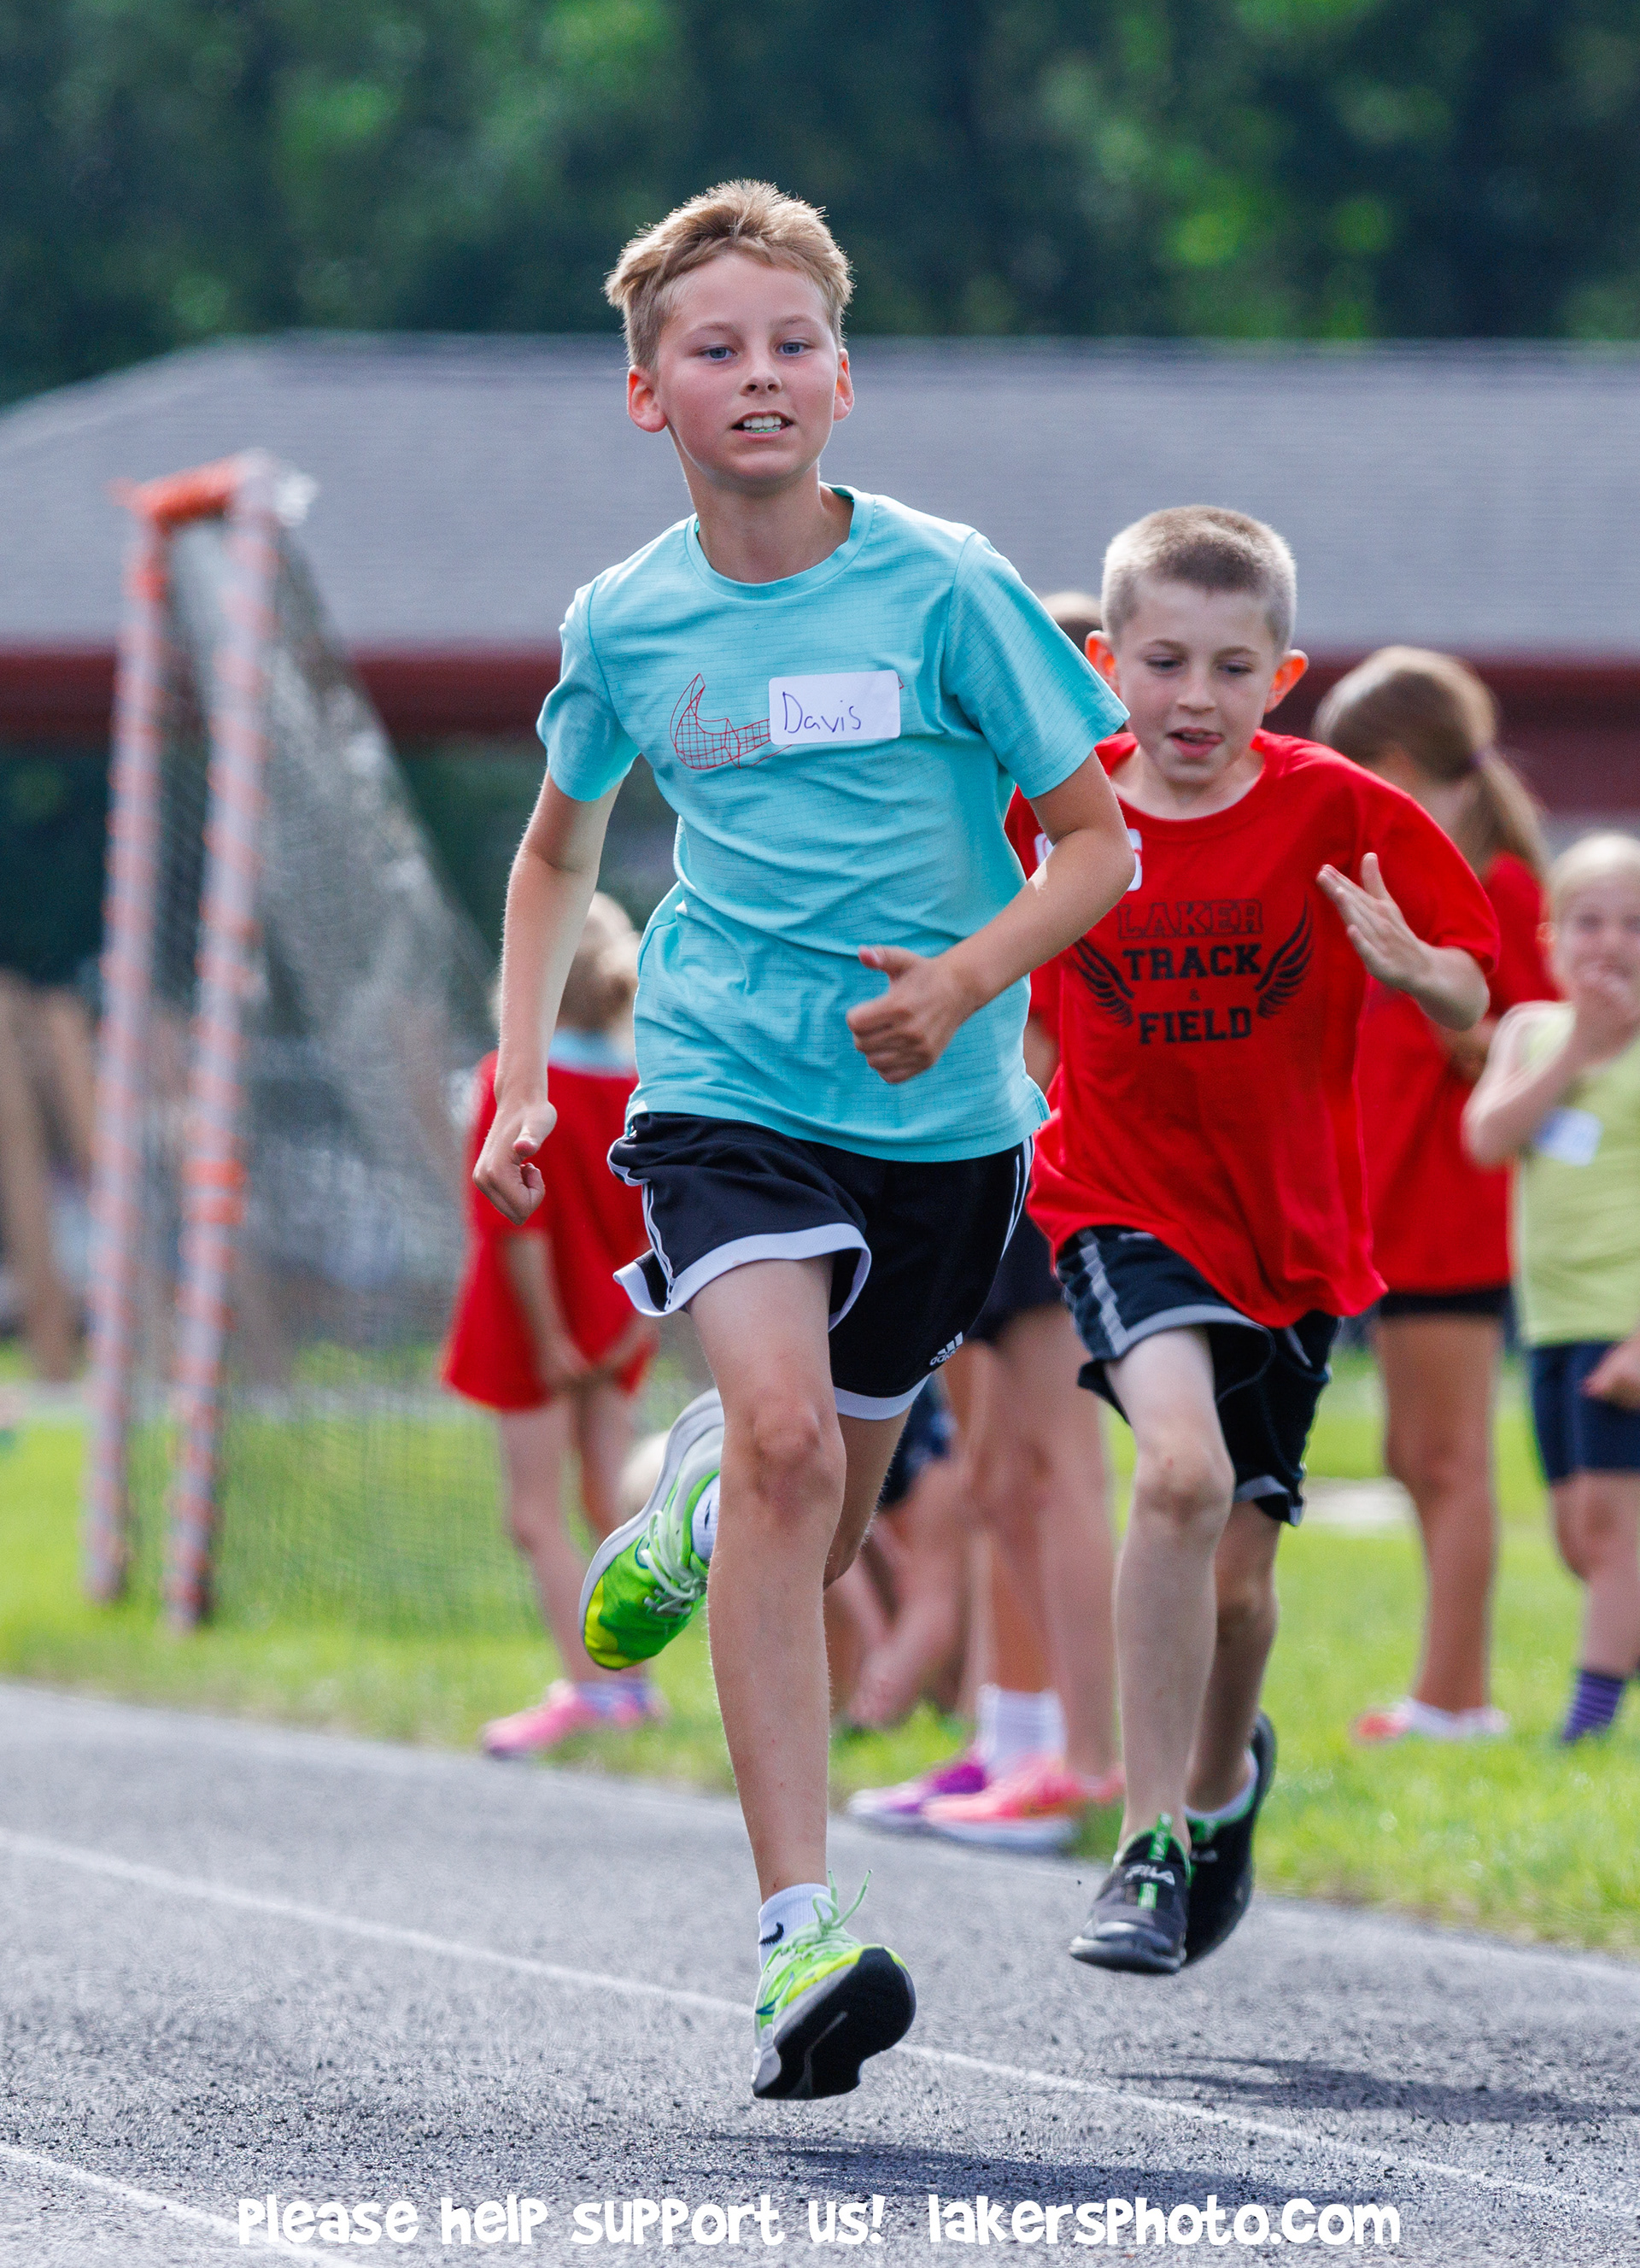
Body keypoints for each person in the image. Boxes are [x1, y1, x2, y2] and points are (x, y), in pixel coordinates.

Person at [474, 181, 1134, 2098]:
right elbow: (555, 854)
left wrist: (967, 979)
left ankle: (699, 1506)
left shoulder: (948, 588)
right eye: (715, 348)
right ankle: (798, 1933)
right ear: (648, 393)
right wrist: (523, 1079)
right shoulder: (625, 618)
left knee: (820, 1515)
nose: (756, 374)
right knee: (784, 1443)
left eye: (791, 344)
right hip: (723, 1085)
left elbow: (1096, 845)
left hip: (942, 1120)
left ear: (844, 379)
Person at [1028, 505, 1498, 1975]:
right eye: (1164, 661)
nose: (1196, 697)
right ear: (1106, 664)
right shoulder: (1059, 811)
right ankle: (1146, 1842)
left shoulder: (1339, 808)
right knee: (1177, 1475)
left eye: (1233, 669)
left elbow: (1475, 985)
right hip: (1116, 1200)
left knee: (1237, 1585)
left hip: (1290, 1238)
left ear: (1282, 677)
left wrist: (1424, 975)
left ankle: (1223, 1785)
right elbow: (1009, 981)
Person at [1313, 649, 1555, 1745]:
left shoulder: (1498, 888)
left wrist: (1462, 1024)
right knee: (1413, 1456)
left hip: (1455, 1210)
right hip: (1391, 1210)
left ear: (1404, 769)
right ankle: (1440, 1688)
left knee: (1449, 1458)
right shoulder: (1396, 890)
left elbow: (1546, 1041)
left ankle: (1458, 1699)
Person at [444, 895, 662, 1757]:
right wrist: (631, 1330)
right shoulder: (640, 1089)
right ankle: (634, 1684)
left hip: (535, 1327)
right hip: (617, 1316)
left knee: (534, 1514)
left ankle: (593, 1688)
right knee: (609, 1501)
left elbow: (514, 1224)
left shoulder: (512, 1084)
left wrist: (547, 1339)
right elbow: (658, 1221)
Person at [1463, 832, 1640, 1744]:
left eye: (1635, 925)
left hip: (1623, 1325)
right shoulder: (1531, 1033)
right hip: (1550, 1324)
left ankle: (1588, 1725)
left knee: (1611, 1534)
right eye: (1589, 922)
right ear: (1551, 938)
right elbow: (1486, 1139)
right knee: (1578, 1539)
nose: (1610, 943)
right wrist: (1575, 1053)